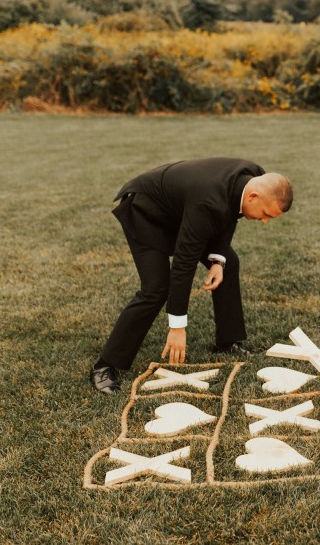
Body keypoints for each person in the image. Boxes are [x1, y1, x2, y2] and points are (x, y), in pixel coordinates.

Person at [89, 157, 292, 394]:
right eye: (266, 213)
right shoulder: (208, 202)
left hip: (185, 211)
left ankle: (227, 341)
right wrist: (177, 327)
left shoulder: (252, 176)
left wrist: (217, 260)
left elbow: (231, 213)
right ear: (254, 197)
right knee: (156, 289)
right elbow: (184, 263)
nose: (265, 221)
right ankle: (105, 366)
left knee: (229, 262)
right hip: (148, 213)